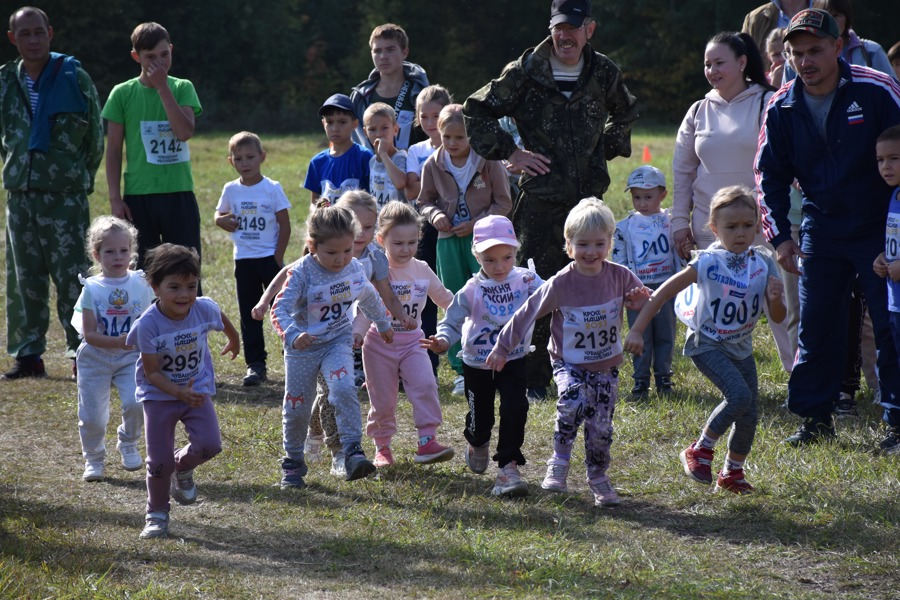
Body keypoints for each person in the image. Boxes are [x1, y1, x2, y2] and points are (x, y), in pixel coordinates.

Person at [464, 0, 639, 402]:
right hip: (542, 199)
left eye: (574, 28)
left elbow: (626, 111)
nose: (566, 36)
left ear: (588, 30)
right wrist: (511, 152)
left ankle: (588, 364)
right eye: (559, 27)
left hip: (586, 201)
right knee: (539, 286)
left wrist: (605, 149)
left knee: (591, 284)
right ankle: (534, 379)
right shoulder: (526, 71)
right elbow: (476, 111)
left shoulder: (603, 71)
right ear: (551, 28)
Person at [756, 9, 900, 448]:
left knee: (892, 322)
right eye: (796, 53)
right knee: (816, 325)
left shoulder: (876, 89)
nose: (806, 60)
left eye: (816, 50)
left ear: (839, 47)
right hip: (821, 226)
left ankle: (896, 422)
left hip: (882, 224)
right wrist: (780, 237)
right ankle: (815, 418)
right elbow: (767, 176)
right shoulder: (781, 105)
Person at [486, 198, 650, 507]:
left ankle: (598, 476)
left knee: (601, 426)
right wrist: (503, 346)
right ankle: (559, 460)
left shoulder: (620, 276)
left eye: (599, 244)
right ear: (569, 244)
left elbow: (644, 302)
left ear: (610, 243)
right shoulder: (561, 283)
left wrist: (638, 302)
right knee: (572, 400)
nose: (591, 251)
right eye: (583, 244)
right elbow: (527, 312)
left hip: (606, 365)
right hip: (568, 362)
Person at [625, 186, 786, 494]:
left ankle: (731, 475)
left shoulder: (763, 263)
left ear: (757, 225)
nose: (741, 233)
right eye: (731, 227)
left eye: (747, 226)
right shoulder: (707, 262)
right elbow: (663, 293)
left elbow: (778, 316)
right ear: (714, 229)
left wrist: (776, 298)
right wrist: (636, 329)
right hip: (707, 343)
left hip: (741, 348)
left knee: (749, 414)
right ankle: (699, 449)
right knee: (739, 397)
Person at [251, 192, 412, 476]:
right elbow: (280, 310)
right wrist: (293, 334)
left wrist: (384, 325)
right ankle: (293, 462)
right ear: (312, 247)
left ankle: (352, 451)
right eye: (332, 253)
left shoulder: (352, 268)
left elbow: (369, 296)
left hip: (337, 341)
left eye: (347, 251)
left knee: (343, 389)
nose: (341, 260)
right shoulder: (302, 273)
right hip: (303, 348)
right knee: (297, 405)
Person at [672, 31, 795, 373]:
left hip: (761, 224)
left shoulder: (766, 102)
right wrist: (680, 222)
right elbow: (682, 172)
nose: (711, 70)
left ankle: (798, 377)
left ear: (742, 63)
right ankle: (728, 380)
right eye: (707, 64)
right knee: (714, 306)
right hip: (711, 229)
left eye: (719, 63)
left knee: (778, 302)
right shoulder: (698, 111)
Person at [1, 6, 103, 380]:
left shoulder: (73, 76)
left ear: (50, 33)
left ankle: (82, 353)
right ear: (13, 38)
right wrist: (18, 172)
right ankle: (28, 356)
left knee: (73, 277)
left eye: (38, 32)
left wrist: (76, 178)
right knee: (24, 278)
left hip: (66, 198)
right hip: (21, 197)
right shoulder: (5, 82)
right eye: (24, 33)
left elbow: (94, 138)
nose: (32, 39)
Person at [422, 215, 544, 498]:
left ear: (516, 251)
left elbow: (551, 294)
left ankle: (508, 466)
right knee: (482, 420)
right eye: (490, 260)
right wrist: (442, 340)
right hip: (477, 363)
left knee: (516, 408)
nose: (500, 266)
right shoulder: (472, 290)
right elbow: (451, 321)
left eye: (507, 257)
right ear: (476, 256)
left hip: (513, 358)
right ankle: (477, 442)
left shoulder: (526, 279)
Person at [126, 244, 240, 539]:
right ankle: (157, 513)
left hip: (196, 393)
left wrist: (234, 338)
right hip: (159, 397)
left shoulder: (202, 308)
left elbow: (220, 316)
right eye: (174, 287)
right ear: (155, 287)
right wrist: (177, 392)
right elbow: (151, 373)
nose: (184, 295)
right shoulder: (148, 326)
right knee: (157, 462)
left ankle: (182, 467)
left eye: (191, 286)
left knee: (210, 445)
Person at [418, 103, 512, 396]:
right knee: (456, 300)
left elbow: (504, 203)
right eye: (447, 137)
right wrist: (435, 216)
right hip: (448, 242)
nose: (453, 143)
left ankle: (499, 361)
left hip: (485, 243)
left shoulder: (488, 162)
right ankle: (463, 369)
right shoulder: (433, 164)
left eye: (460, 137)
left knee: (489, 298)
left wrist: (476, 224)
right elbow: (424, 201)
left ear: (471, 136)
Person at [355, 201, 455, 467]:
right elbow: (366, 309)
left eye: (412, 242)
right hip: (378, 345)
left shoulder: (421, 269)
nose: (406, 249)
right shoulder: (376, 271)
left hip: (414, 343)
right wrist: (357, 334)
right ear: (381, 239)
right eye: (398, 243)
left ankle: (427, 442)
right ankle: (383, 448)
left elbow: (447, 300)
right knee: (383, 400)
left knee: (425, 385)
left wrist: (472, 312)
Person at [103, 22, 203, 273]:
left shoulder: (182, 87)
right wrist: (115, 198)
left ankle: (190, 312)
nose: (158, 62)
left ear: (171, 50)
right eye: (150, 57)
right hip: (138, 196)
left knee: (185, 267)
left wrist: (162, 88)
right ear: (136, 57)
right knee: (143, 272)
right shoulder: (121, 94)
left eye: (164, 55)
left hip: (178, 192)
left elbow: (184, 132)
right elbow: (113, 150)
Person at [73, 216, 155, 482]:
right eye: (110, 251)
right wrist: (119, 341)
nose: (118, 257)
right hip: (95, 359)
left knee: (136, 402)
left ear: (132, 252)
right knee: (93, 416)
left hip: (131, 357)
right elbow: (90, 334)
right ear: (97, 255)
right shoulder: (92, 289)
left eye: (123, 250)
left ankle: (128, 442)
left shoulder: (141, 284)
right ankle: (94, 458)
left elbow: (154, 318)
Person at [214, 131, 291, 387]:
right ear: (231, 161)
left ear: (262, 157)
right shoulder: (230, 189)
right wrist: (221, 220)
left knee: (281, 309)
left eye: (250, 157)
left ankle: (291, 355)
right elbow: (219, 215)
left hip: (269, 259)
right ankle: (255, 365)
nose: (245, 163)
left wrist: (277, 258)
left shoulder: (272, 188)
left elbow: (285, 225)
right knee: (250, 315)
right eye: (238, 158)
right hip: (244, 261)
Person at [612, 166, 678, 399]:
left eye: (648, 197)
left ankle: (663, 377)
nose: (642, 203)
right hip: (637, 289)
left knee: (665, 334)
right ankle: (640, 382)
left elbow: (677, 251)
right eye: (636, 197)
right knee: (641, 337)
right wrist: (626, 287)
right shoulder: (625, 226)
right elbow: (619, 257)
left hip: (665, 286)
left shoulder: (671, 221)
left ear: (662, 195)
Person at [406, 84, 453, 375]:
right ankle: (426, 362)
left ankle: (466, 359)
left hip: (455, 227)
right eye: (424, 117)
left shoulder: (459, 145)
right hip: (424, 224)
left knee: (456, 290)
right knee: (424, 293)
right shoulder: (415, 150)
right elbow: (413, 190)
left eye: (436, 115)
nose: (430, 123)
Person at [350, 23, 429, 152]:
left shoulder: (421, 93)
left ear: (405, 52)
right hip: (373, 169)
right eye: (377, 51)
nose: (383, 57)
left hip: (414, 169)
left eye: (390, 49)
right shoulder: (360, 97)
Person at [782, 0, 896, 83]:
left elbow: (891, 91)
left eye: (836, 15)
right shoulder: (793, 60)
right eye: (826, 16)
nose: (831, 21)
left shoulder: (871, 52)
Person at [871, 124, 900, 453]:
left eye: (894, 158)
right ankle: (895, 425)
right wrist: (883, 258)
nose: (886, 167)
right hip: (893, 303)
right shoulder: (892, 195)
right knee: (889, 362)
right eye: (880, 160)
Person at [305, 93, 373, 207]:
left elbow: (372, 199)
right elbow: (315, 203)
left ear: (354, 124)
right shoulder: (317, 162)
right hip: (327, 224)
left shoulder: (365, 157)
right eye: (330, 122)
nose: (335, 128)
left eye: (342, 122)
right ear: (323, 124)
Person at [363, 103, 408, 210]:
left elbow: (400, 183)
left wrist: (383, 154)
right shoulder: (372, 161)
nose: (379, 134)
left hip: (398, 220)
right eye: (372, 129)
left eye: (385, 128)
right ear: (365, 132)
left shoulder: (400, 157)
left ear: (395, 130)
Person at [742, 1, 811, 57]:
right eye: (777, 55)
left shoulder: (821, 8)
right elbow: (743, 66)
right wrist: (770, 74)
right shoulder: (755, 19)